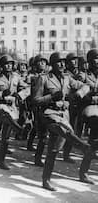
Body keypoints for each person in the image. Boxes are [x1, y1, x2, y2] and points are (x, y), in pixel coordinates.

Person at [33, 51, 93, 191]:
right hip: (49, 114)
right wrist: (51, 97)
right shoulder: (44, 78)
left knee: (53, 150)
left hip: (63, 115)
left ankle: (46, 180)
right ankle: (81, 145)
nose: (61, 64)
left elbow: (86, 86)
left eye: (63, 62)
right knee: (58, 127)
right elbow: (35, 100)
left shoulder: (67, 78)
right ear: (52, 65)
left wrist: (78, 95)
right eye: (58, 62)